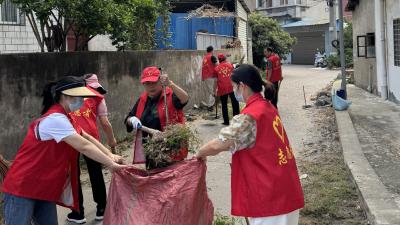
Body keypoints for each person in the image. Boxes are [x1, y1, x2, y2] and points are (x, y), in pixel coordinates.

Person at [2, 76, 127, 225]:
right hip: (23, 187)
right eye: (79, 96)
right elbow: (83, 146)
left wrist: (109, 154)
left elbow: (87, 138)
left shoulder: (67, 118)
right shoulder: (55, 119)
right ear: (64, 96)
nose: (82, 100)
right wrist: (111, 165)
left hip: (44, 187)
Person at [196, 64, 304, 225]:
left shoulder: (250, 116)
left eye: (234, 86)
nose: (233, 90)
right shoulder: (268, 106)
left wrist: (199, 154)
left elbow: (220, 144)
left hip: (269, 197)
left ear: (242, 86)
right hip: (285, 186)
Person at [67, 74, 117, 223]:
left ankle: (78, 213)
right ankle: (102, 208)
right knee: (96, 173)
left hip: (71, 138)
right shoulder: (98, 97)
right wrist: (111, 140)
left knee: (74, 175)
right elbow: (105, 122)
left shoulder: (70, 97)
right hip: (92, 139)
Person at [125, 66, 189, 169]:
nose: (151, 86)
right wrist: (131, 120)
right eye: (147, 83)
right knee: (154, 178)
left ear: (160, 81)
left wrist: (171, 84)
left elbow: (185, 98)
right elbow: (129, 117)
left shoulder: (170, 95)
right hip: (150, 148)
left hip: (169, 147)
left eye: (154, 82)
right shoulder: (142, 99)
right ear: (143, 84)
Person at [214, 53, 239, 125]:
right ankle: (236, 120)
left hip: (222, 88)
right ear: (225, 59)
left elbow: (216, 80)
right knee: (235, 102)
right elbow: (234, 74)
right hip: (231, 86)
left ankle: (226, 121)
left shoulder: (216, 69)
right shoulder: (230, 65)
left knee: (224, 104)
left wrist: (215, 90)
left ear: (219, 60)